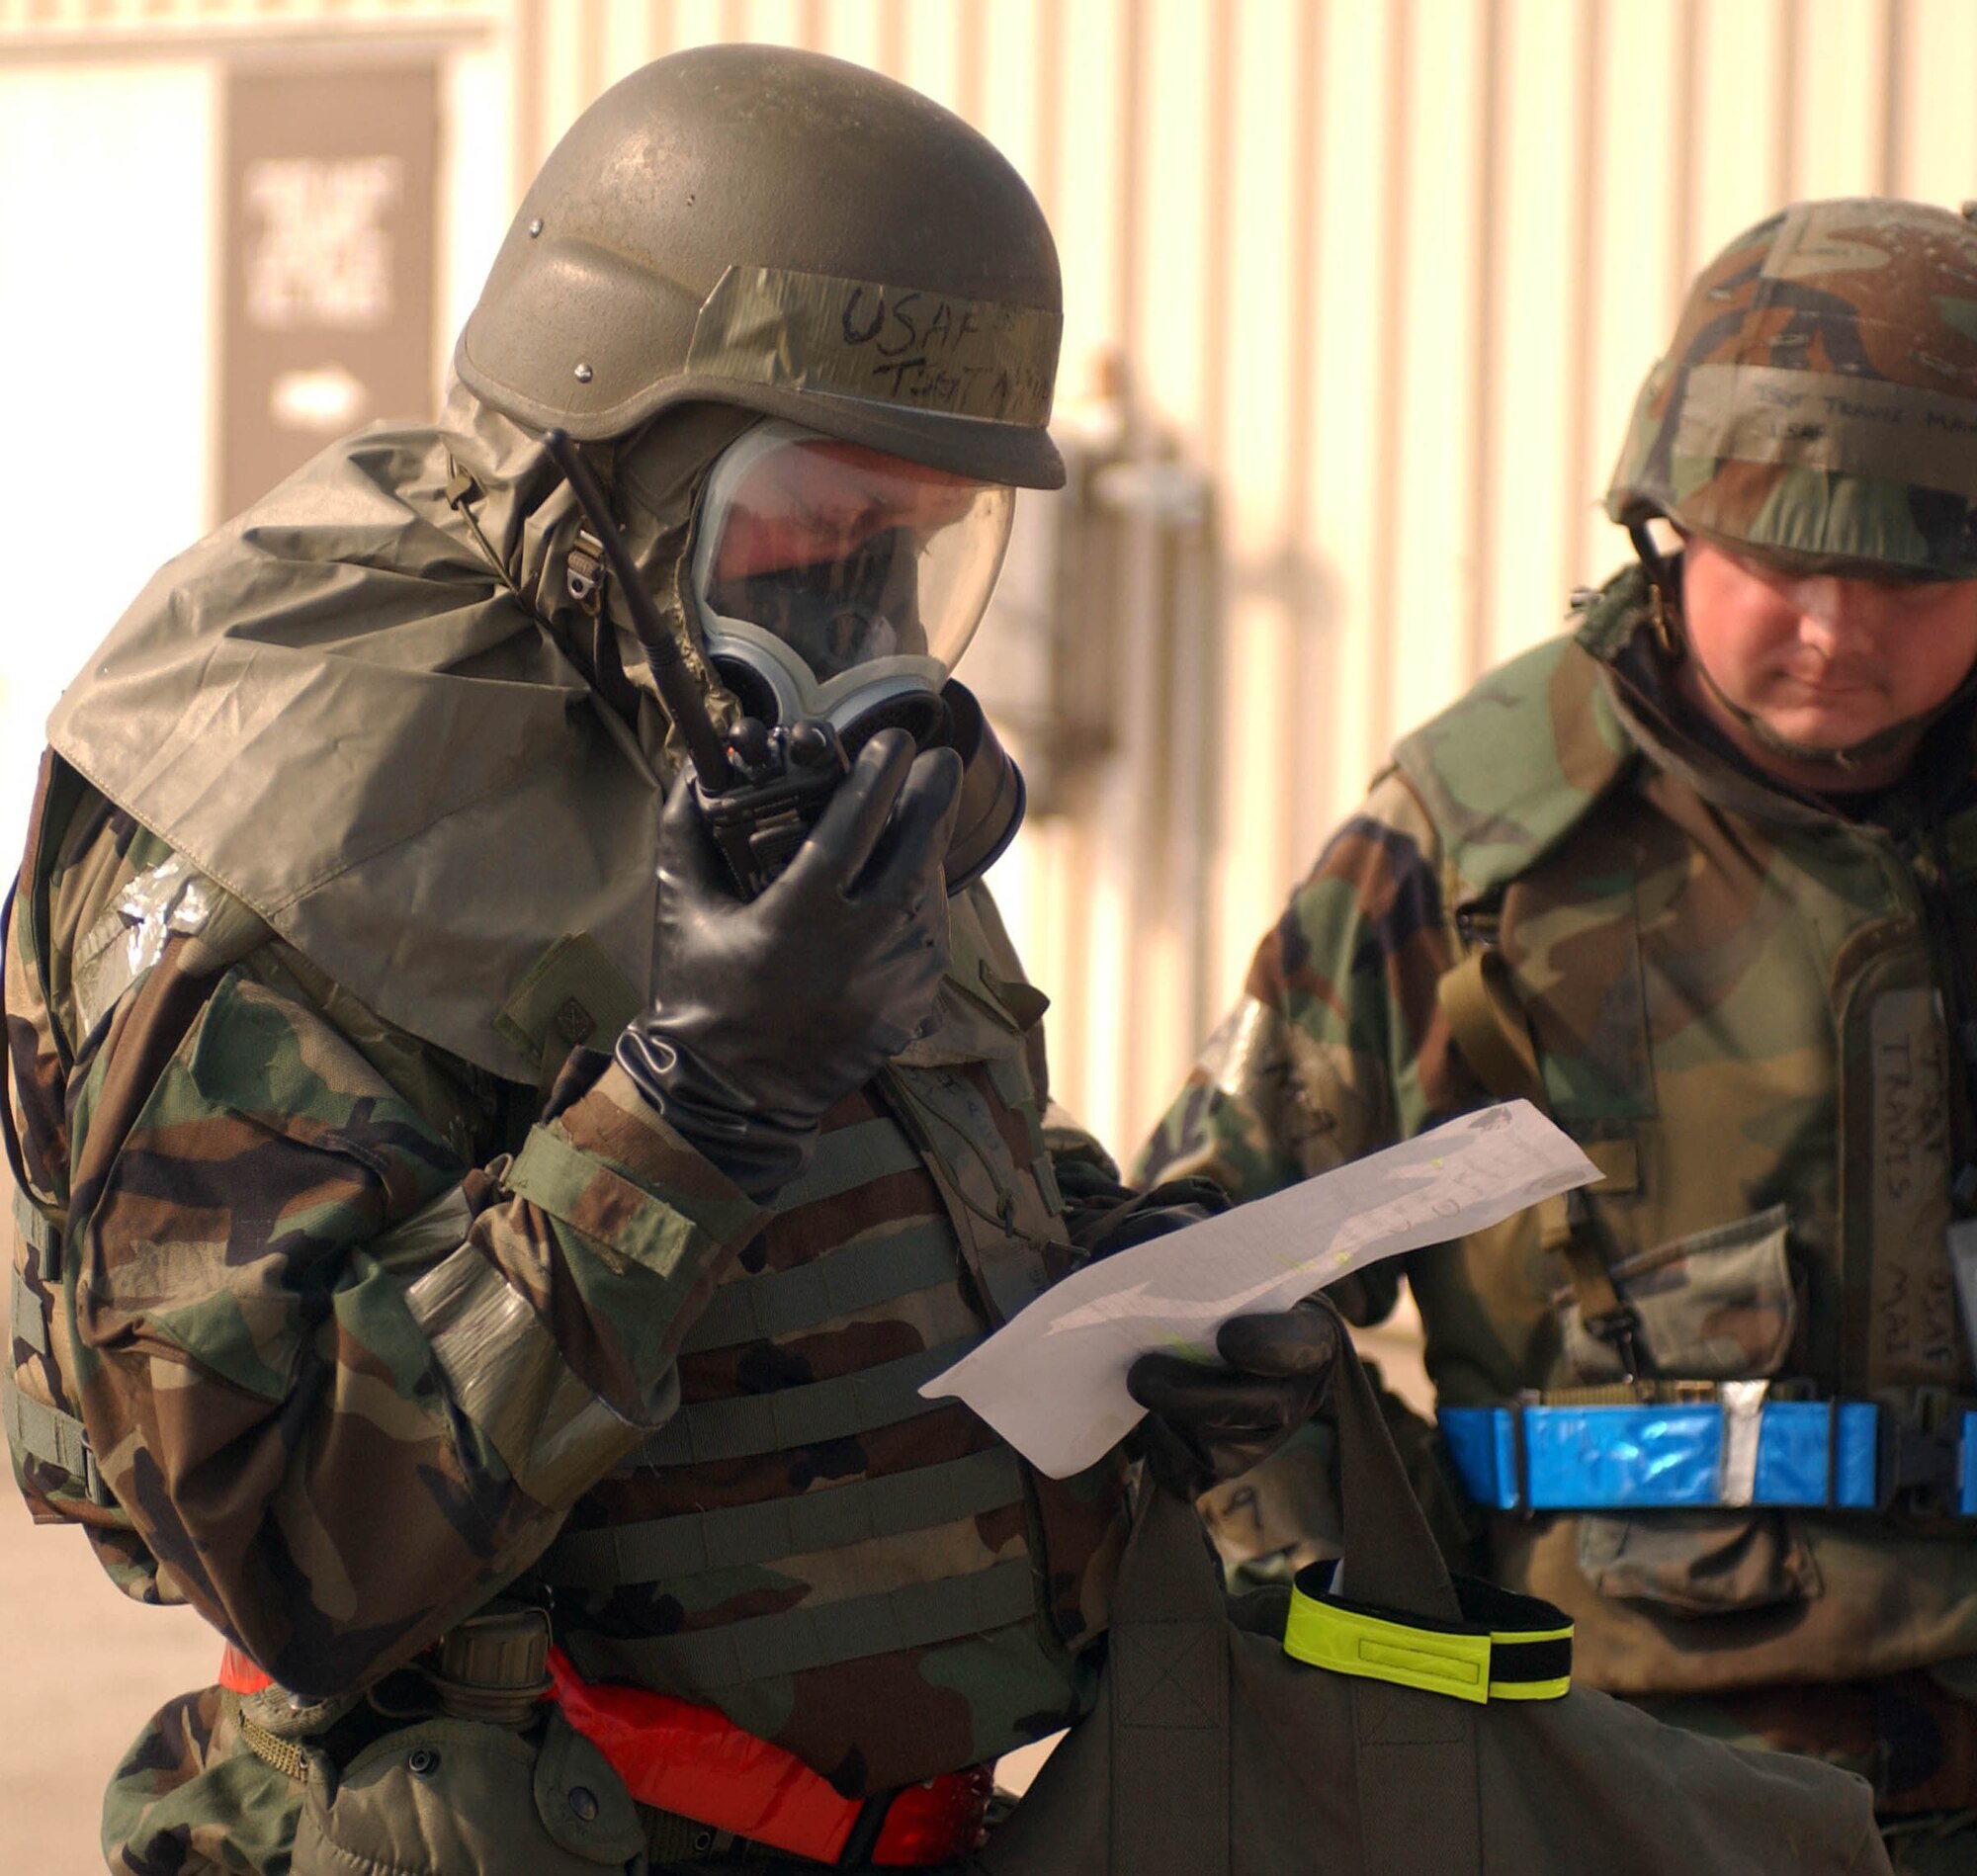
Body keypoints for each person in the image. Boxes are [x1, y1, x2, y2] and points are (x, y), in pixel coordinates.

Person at [1, 45, 1340, 1876]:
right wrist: (688, 1112)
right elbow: (280, 1534)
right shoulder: (301, 798)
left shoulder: (751, 714)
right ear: (614, 455)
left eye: (921, 544)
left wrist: (1121, 1299)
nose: (861, 608)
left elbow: (884, 1198)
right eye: (816, 517)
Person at [1141, 195, 1977, 1874]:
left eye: (1910, 571)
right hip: (1625, 1782)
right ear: (1670, 527)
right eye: (1786, 561)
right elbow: (1206, 1290)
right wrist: (1368, 1649)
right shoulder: (1479, 853)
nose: (1838, 629)